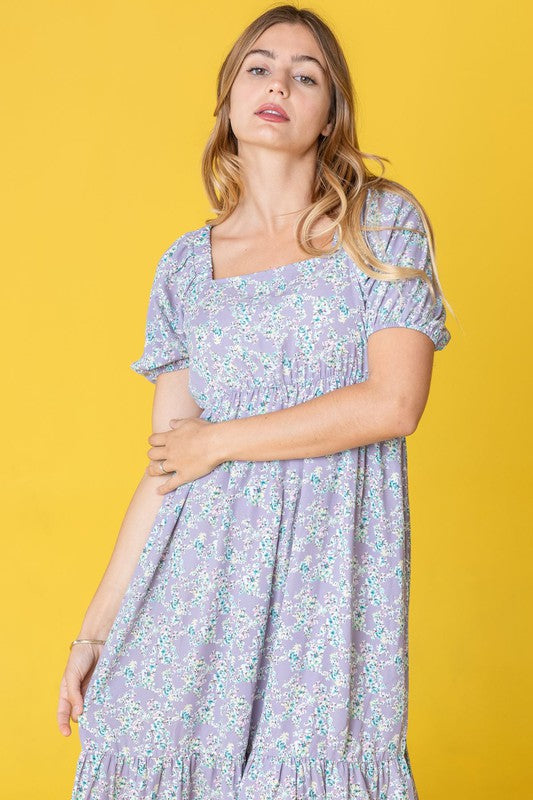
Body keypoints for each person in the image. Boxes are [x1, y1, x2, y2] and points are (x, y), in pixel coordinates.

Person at [59, 5, 452, 799]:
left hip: (327, 583)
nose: (278, 83)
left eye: (306, 76)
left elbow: (393, 402)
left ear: (329, 114)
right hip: (193, 586)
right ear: (228, 99)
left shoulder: (379, 225)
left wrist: (223, 439)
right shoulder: (184, 268)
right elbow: (169, 462)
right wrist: (94, 628)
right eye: (259, 67)